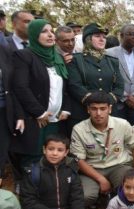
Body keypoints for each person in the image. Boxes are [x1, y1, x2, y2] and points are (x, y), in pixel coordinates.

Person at [11, 19, 70, 189]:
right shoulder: (24, 56)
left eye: (52, 31)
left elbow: (63, 87)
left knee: (51, 155)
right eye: (44, 31)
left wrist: (64, 109)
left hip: (54, 120)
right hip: (34, 118)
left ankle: (46, 190)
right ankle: (27, 192)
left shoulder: (56, 58)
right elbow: (20, 87)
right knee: (32, 156)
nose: (50, 35)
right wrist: (39, 113)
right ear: (34, 35)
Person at [70, 92, 134, 207]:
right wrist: (101, 179)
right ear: (88, 110)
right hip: (92, 169)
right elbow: (79, 160)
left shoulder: (122, 124)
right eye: (94, 109)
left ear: (110, 109)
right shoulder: (79, 129)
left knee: (132, 188)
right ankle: (99, 197)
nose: (98, 113)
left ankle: (115, 196)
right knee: (85, 196)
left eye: (103, 109)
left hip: (119, 166)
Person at [67, 22, 124, 132]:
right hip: (83, 113)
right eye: (97, 36)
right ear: (88, 39)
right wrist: (94, 102)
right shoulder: (76, 60)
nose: (102, 39)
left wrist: (107, 102)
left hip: (109, 113)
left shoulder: (112, 61)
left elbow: (119, 86)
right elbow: (75, 85)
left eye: (104, 37)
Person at [20, 134, 84, 209]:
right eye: (51, 149)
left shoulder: (71, 170)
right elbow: (28, 199)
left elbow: (77, 196)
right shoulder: (33, 172)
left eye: (60, 150)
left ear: (66, 152)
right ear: (44, 150)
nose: (54, 153)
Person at [106, 24, 134, 125]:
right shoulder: (108, 54)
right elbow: (108, 77)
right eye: (131, 34)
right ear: (121, 36)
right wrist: (125, 97)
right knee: (117, 137)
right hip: (117, 103)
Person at [0, 44, 24, 187]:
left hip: (4, 110)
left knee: (4, 149)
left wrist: (19, 115)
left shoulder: (4, 50)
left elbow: (13, 86)